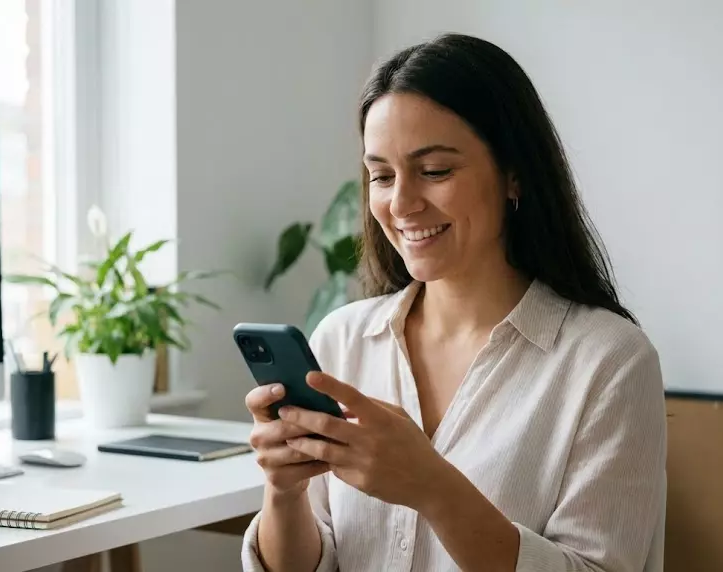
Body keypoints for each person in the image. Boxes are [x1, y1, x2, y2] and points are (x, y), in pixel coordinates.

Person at [240, 33, 666, 572]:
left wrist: (433, 487)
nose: (401, 204)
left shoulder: (609, 362)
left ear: (514, 173)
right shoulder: (341, 341)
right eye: (381, 176)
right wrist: (283, 493)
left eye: (435, 171)